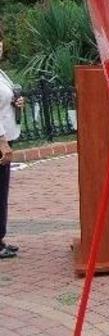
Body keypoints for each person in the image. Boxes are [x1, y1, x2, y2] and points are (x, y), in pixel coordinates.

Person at [0, 28, 24, 259]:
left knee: (2, 190)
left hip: (7, 135)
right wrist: (2, 143)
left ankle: (1, 237)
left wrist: (16, 101)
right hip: (0, 141)